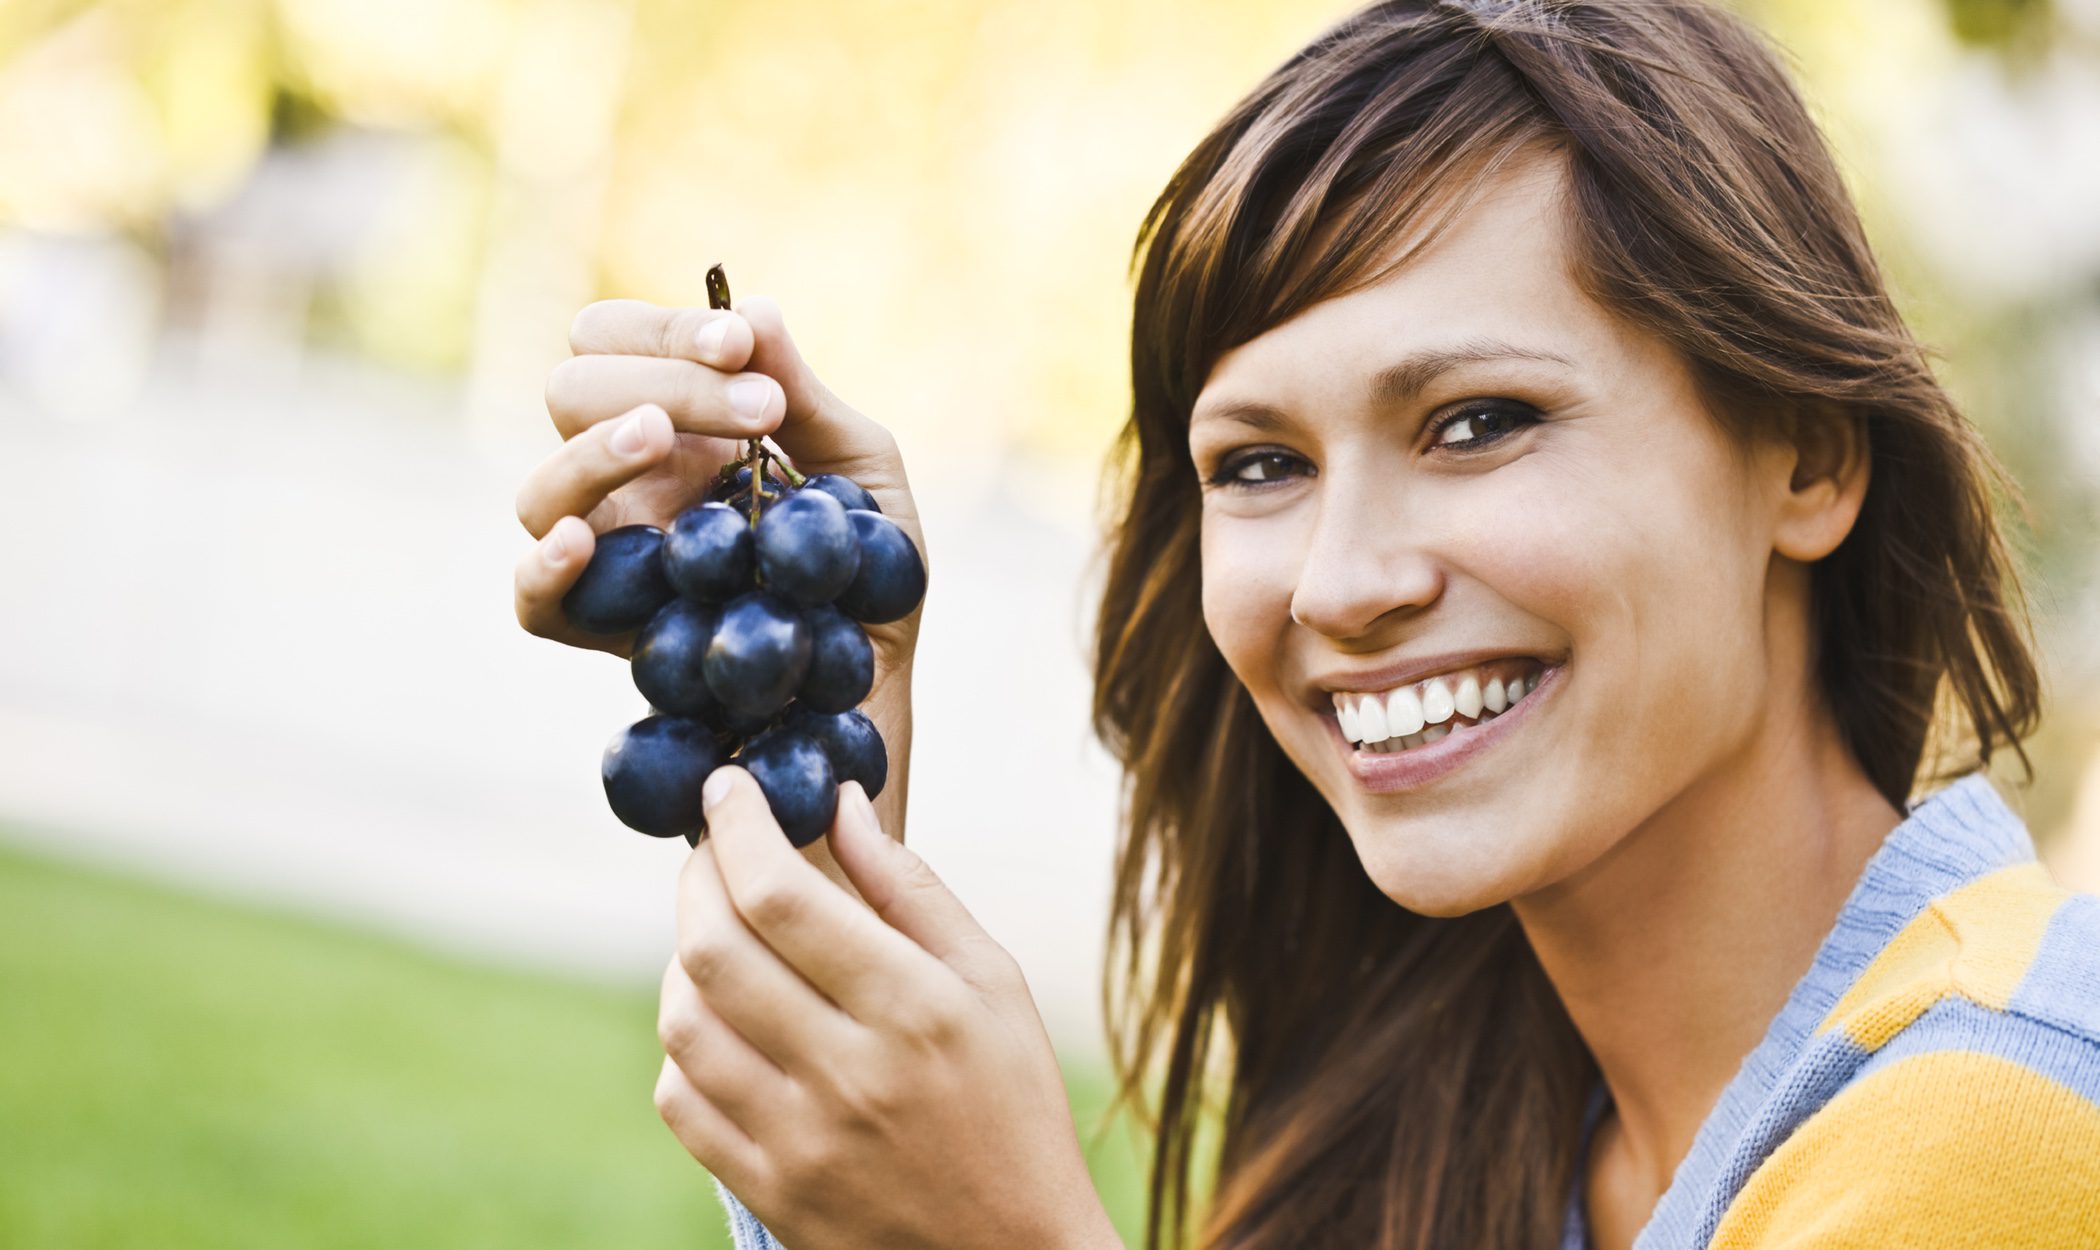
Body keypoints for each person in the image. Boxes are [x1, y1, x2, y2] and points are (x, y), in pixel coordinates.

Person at [509, 1, 2100, 1247]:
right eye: (1260, 463)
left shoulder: (2000, 1125)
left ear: (1809, 458)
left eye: (1478, 421)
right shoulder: (1475, 1114)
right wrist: (810, 711)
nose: (1340, 582)